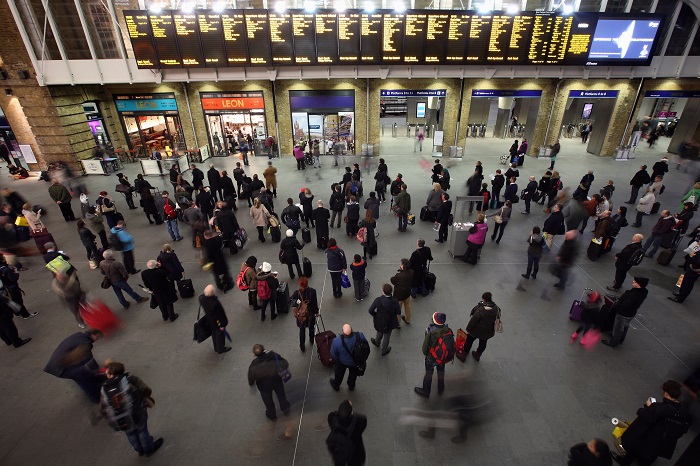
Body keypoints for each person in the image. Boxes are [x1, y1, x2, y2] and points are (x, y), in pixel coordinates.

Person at [611, 380, 692, 465]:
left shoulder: (659, 408)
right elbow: (684, 428)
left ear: (666, 393)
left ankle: (625, 462)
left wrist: (649, 406)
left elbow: (643, 413)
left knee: (636, 447)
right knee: (649, 457)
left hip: (649, 437)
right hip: (664, 442)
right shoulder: (684, 413)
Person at [99, 362, 163, 457]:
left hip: (120, 418)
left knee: (130, 433)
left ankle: (139, 449)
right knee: (142, 430)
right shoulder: (130, 379)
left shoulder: (104, 388)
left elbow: (103, 406)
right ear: (122, 371)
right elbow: (146, 389)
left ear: (109, 375)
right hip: (137, 411)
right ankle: (148, 448)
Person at [43, 330, 104, 403]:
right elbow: (89, 359)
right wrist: (98, 370)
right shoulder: (86, 343)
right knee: (84, 378)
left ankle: (96, 387)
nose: (97, 339)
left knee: (82, 375)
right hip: (61, 368)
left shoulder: (79, 335)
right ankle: (96, 398)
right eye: (97, 337)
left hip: (56, 363)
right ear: (92, 334)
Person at [602, 277, 649, 348]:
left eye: (635, 281)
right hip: (631, 313)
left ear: (639, 284)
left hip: (623, 314)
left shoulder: (634, 295)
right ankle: (621, 339)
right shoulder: (644, 291)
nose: (633, 282)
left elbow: (625, 305)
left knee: (618, 329)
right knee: (625, 326)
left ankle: (613, 342)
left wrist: (616, 305)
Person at [248, 343, 290, 420]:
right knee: (281, 396)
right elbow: (285, 363)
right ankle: (285, 409)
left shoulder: (254, 365)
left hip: (264, 386)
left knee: (268, 401)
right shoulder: (273, 355)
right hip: (277, 380)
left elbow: (251, 377)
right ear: (264, 350)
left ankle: (272, 415)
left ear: (254, 354)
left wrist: (251, 383)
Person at [414, 312, 452, 398]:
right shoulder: (447, 329)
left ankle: (426, 391)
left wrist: (427, 354)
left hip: (431, 357)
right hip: (442, 357)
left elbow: (425, 348)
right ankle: (441, 387)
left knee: (429, 374)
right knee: (441, 371)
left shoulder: (430, 331)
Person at [326, 400, 367, 466]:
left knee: (339, 463)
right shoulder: (360, 421)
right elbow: (363, 425)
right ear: (351, 413)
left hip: (339, 450)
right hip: (355, 453)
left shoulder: (331, 417)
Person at [463, 292, 500, 361]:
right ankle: (478, 355)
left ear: (484, 299)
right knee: (483, 343)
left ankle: (464, 355)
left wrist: (468, 329)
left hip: (476, 330)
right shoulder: (496, 308)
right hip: (488, 331)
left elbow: (473, 321)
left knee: (469, 340)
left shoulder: (481, 310)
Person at [330, 324, 367, 391]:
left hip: (342, 361)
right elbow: (365, 346)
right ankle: (351, 386)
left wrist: (338, 360)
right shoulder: (360, 336)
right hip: (355, 361)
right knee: (353, 374)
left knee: (339, 373)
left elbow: (333, 354)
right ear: (352, 329)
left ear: (342, 331)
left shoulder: (337, 341)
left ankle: (336, 385)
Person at [368, 283, 401, 356]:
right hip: (390, 321)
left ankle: (377, 342)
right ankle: (384, 349)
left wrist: (375, 315)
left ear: (383, 292)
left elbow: (370, 310)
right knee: (387, 335)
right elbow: (398, 312)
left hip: (379, 320)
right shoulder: (395, 301)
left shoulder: (378, 300)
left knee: (379, 331)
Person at [199, 284, 231, 353]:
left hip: (209, 319)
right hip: (216, 322)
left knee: (214, 333)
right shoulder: (214, 303)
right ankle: (220, 348)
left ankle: (216, 347)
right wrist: (221, 325)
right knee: (219, 334)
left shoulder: (202, 298)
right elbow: (219, 315)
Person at [290, 277, 319, 352]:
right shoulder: (312, 291)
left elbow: (291, 302)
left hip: (301, 315)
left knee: (302, 330)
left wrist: (300, 302)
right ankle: (312, 340)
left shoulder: (297, 293)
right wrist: (316, 312)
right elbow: (314, 304)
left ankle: (302, 346)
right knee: (311, 328)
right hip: (310, 314)